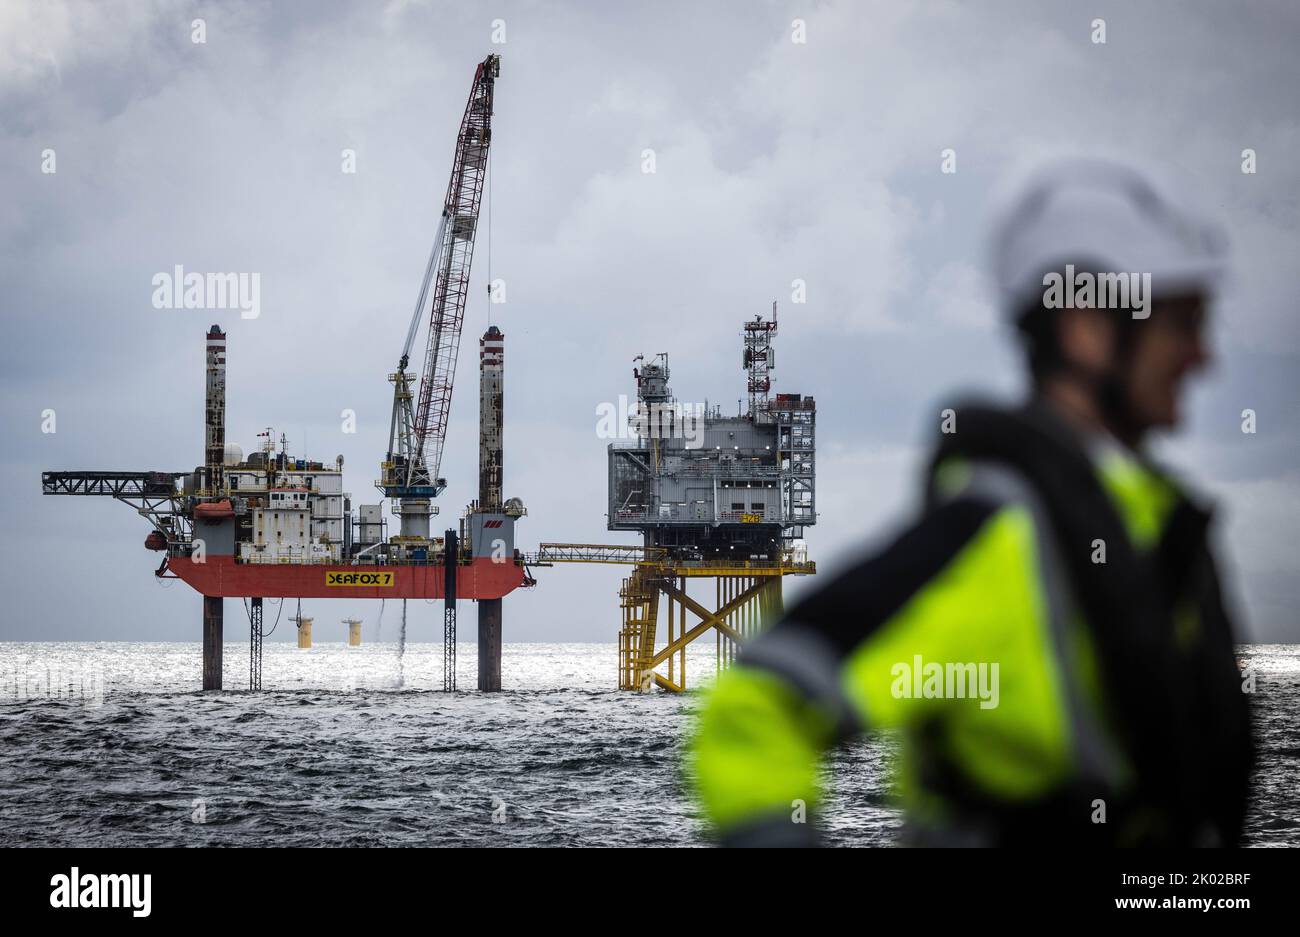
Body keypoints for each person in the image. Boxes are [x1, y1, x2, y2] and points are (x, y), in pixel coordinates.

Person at [688, 159, 1254, 847]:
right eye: (1182, 322)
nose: (1203, 357)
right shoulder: (1000, 536)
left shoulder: (1165, 529)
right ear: (1085, 327)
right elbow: (755, 705)